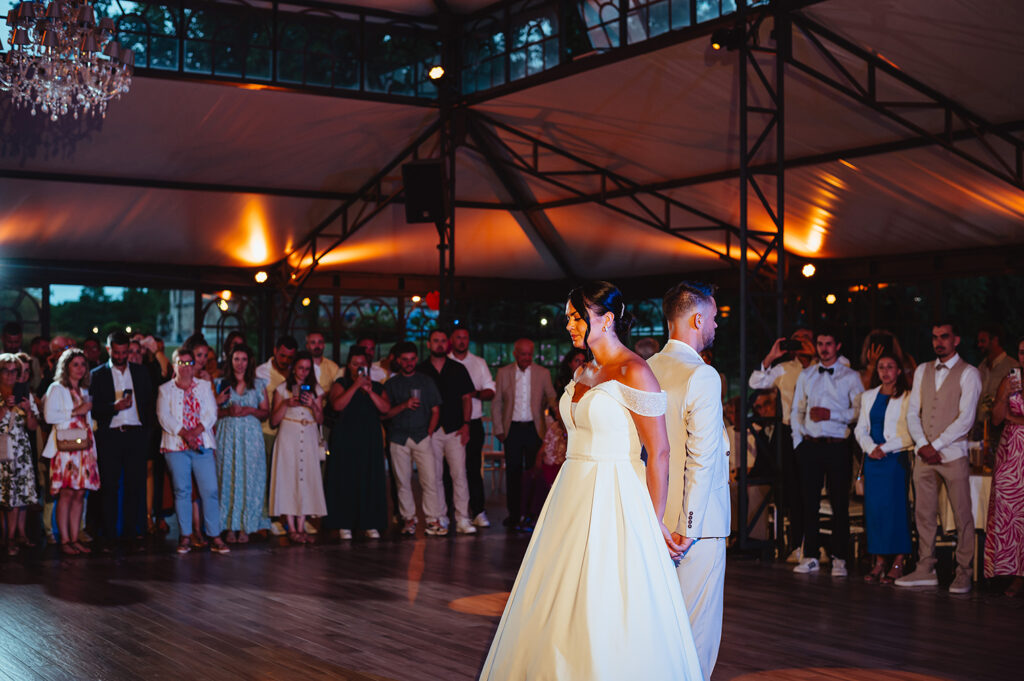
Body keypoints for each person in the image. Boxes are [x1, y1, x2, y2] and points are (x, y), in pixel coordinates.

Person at [480, 281, 701, 680]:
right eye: (568, 317)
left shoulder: (635, 371)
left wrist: (651, 523)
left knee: (607, 597)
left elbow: (661, 454)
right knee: (560, 597)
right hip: (571, 494)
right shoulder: (584, 369)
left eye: (576, 317)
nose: (569, 325)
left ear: (607, 319)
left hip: (616, 496)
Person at [648, 280, 730, 681]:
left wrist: (657, 519)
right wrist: (689, 528)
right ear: (698, 318)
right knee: (697, 632)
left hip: (655, 519)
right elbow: (703, 458)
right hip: (697, 527)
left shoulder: (644, 369)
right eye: (714, 318)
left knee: (658, 629)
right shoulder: (702, 376)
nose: (716, 325)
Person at [897, 321, 981, 594]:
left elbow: (966, 419)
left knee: (961, 515)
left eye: (944, 337)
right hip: (924, 455)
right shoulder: (923, 370)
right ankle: (925, 568)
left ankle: (964, 572)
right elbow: (913, 412)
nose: (938, 342)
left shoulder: (969, 373)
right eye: (934, 337)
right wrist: (923, 444)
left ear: (956, 339)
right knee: (923, 513)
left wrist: (937, 444)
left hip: (953, 454)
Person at [790, 329, 864, 576]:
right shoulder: (807, 374)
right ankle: (810, 555)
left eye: (828, 343)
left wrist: (832, 415)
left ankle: (840, 558)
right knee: (808, 503)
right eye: (820, 343)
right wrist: (798, 442)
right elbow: (797, 409)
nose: (824, 348)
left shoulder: (851, 376)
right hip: (810, 445)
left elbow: (858, 411)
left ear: (837, 345)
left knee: (839, 503)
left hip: (837, 445)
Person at [748, 328, 815, 561]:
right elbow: (756, 381)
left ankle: (819, 546)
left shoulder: (833, 367)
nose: (800, 344)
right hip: (789, 432)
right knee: (795, 492)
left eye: (805, 340)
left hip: (820, 434)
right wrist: (771, 356)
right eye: (796, 341)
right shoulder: (785, 369)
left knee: (815, 491)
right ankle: (797, 544)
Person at [157, 348, 229, 555]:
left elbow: (210, 412)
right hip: (176, 446)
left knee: (210, 491)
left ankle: (214, 534)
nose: (185, 367)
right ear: (174, 365)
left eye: (189, 363)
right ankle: (185, 535)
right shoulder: (165, 389)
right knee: (182, 491)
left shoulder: (205, 386)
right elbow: (164, 416)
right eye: (181, 363)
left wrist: (195, 432)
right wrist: (185, 434)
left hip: (202, 444)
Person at [90, 331, 156, 550]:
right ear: (108, 350)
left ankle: (131, 534)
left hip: (136, 433)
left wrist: (146, 430)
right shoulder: (97, 375)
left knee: (134, 485)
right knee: (109, 486)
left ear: (129, 350)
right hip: (110, 435)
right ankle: (109, 535)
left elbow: (149, 401)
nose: (120, 356)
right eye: (116, 352)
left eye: (124, 352)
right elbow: (93, 408)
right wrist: (113, 408)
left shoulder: (140, 371)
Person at [854, 352, 914, 584]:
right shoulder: (869, 396)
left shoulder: (907, 396)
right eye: (881, 367)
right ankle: (879, 560)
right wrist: (871, 448)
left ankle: (898, 560)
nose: (886, 371)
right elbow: (860, 428)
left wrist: (885, 448)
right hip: (873, 460)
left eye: (890, 367)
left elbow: (909, 432)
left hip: (894, 459)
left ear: (899, 370)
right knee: (875, 510)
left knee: (896, 509)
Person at [324, 347, 390, 539]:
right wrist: (355, 387)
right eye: (355, 364)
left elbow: (385, 409)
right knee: (346, 479)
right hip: (346, 437)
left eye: (362, 364)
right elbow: (337, 405)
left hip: (370, 438)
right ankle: (344, 523)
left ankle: (370, 523)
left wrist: (368, 391)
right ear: (348, 366)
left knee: (370, 479)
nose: (358, 368)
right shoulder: (341, 383)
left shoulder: (377, 386)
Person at [492, 338, 557, 528]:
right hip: (511, 428)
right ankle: (513, 514)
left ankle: (530, 514)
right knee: (512, 472)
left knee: (532, 473)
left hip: (533, 429)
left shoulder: (542, 373)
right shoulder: (503, 373)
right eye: (523, 354)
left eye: (530, 354)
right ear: (515, 354)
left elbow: (551, 395)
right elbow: (496, 403)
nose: (527, 358)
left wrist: (556, 408)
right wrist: (498, 429)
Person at [417, 330, 477, 535]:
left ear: (448, 344)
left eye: (443, 341)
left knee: (459, 474)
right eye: (436, 341)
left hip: (455, 429)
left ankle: (462, 518)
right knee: (433, 476)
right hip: (430, 430)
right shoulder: (421, 370)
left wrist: (467, 424)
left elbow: (467, 398)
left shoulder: (458, 369)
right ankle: (439, 516)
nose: (440, 345)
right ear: (428, 344)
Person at [41, 348, 100, 556]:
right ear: (66, 367)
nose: (80, 368)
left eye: (83, 364)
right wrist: (76, 411)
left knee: (80, 493)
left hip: (83, 447)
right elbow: (49, 416)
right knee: (66, 493)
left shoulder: (84, 390)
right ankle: (64, 539)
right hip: (65, 449)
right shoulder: (56, 388)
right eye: (75, 364)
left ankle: (75, 537)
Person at [382, 342, 442, 536]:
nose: (409, 363)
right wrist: (404, 405)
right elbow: (385, 414)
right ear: (398, 361)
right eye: (405, 360)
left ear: (416, 359)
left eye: (412, 359)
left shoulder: (427, 381)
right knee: (402, 481)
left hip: (422, 436)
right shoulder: (391, 384)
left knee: (430, 480)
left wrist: (430, 433)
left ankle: (433, 519)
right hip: (398, 437)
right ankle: (409, 519)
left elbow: (435, 410)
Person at [269, 350, 327, 544]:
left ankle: (302, 526)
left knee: (306, 478)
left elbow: (320, 420)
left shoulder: (316, 390)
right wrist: (286, 403)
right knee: (288, 479)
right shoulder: (282, 389)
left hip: (308, 434)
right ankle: (291, 526)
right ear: (294, 368)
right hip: (288, 435)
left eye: (307, 369)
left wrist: (314, 405)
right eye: (300, 368)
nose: (303, 372)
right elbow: (274, 421)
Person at [214, 345, 271, 543]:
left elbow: (266, 413)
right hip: (227, 436)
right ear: (230, 361)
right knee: (227, 478)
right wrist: (227, 411)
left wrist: (249, 410)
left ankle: (246, 526)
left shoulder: (258, 384)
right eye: (236, 359)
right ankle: (229, 526)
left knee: (249, 479)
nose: (240, 364)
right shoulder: (221, 383)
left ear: (249, 361)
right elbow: (212, 414)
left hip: (251, 438)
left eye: (244, 359)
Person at [985, 336, 1024, 597]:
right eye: (1021, 352)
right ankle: (1014, 574)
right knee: (1010, 515)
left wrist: (1014, 417)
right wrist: (1006, 397)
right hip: (1011, 454)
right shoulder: (1010, 380)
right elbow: (997, 419)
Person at [448, 327, 495, 528]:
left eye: (465, 338)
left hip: (474, 421)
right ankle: (452, 513)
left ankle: (478, 511)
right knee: (448, 471)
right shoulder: (445, 363)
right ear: (452, 340)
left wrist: (472, 393)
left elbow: (490, 390)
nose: (461, 341)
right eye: (457, 337)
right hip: (449, 423)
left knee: (473, 469)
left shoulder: (478, 363)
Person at [0, 353, 39, 555]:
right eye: (5, 370)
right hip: (1, 450)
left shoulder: (24, 392)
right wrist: (6, 407)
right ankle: (4, 537)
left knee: (15, 496)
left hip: (19, 450)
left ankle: (12, 538)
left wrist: (28, 410)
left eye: (13, 371)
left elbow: (32, 427)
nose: (9, 375)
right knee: (3, 497)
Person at [516, 406, 567, 531]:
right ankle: (524, 515)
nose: (556, 411)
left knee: (541, 482)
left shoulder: (570, 429)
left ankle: (536, 516)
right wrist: (538, 460)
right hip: (548, 463)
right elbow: (544, 446)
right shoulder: (553, 427)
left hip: (560, 465)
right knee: (528, 476)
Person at [975, 324, 1019, 453]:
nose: (979, 345)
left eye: (983, 341)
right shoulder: (981, 367)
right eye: (978, 341)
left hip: (1002, 430)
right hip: (980, 429)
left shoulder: (1012, 367)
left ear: (995, 340)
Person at [306, 329, 340, 394]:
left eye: (320, 342)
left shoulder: (333, 367)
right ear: (307, 346)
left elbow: (338, 391)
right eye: (313, 342)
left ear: (324, 345)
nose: (317, 346)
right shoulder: (302, 366)